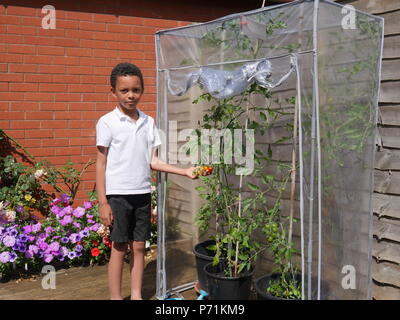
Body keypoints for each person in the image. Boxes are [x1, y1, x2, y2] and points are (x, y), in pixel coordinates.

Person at [95, 62, 205, 300]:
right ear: (113, 92)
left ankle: (136, 296)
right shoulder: (107, 122)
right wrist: (103, 202)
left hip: (142, 194)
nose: (130, 95)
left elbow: (153, 161)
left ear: (142, 90)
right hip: (118, 197)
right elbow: (100, 164)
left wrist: (184, 171)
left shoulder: (149, 122)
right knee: (118, 248)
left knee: (138, 247)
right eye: (124, 90)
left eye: (135, 89)